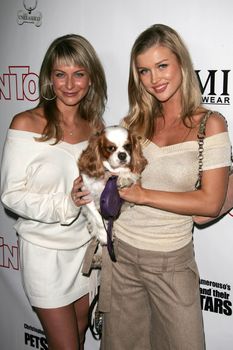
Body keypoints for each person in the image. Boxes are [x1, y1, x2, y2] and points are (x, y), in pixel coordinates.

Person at [100, 24, 232, 350]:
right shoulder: (134, 122)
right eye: (144, 71)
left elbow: (209, 205)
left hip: (171, 262)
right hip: (123, 256)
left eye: (162, 66)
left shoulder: (209, 124)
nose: (154, 78)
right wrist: (92, 184)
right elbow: (117, 180)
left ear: (181, 64)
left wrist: (144, 195)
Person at [0, 33, 107, 350]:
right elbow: (11, 195)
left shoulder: (97, 127)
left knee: (79, 334)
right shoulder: (26, 123)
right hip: (45, 254)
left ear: (91, 79)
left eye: (79, 74)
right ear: (49, 77)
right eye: (61, 74)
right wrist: (66, 202)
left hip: (86, 253)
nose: (70, 84)